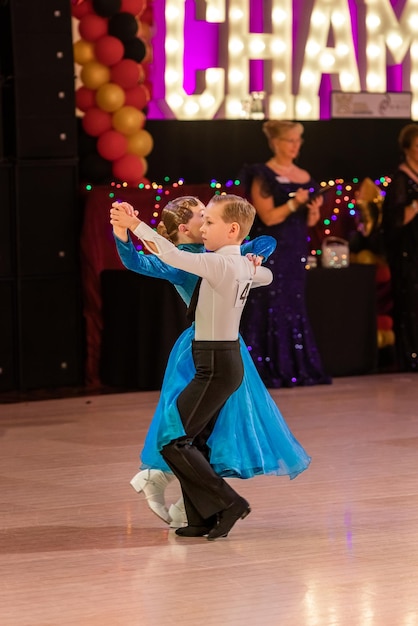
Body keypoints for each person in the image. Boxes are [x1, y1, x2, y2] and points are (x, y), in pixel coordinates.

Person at [112, 195, 290, 528]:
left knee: (197, 433)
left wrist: (254, 254)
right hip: (199, 351)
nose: (206, 222)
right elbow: (142, 261)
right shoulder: (190, 260)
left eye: (210, 218)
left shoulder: (219, 256)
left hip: (222, 349)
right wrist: (125, 231)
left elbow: (266, 239)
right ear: (185, 227)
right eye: (202, 218)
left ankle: (199, 503)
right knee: (185, 432)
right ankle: (189, 501)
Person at [240, 119, 332, 388]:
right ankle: (263, 367)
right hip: (270, 248)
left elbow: (309, 222)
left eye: (298, 140)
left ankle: (294, 366)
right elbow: (267, 217)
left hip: (295, 251)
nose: (295, 146)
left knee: (293, 305)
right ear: (276, 143)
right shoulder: (262, 174)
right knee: (266, 303)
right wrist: (295, 203)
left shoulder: (304, 175)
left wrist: (312, 211)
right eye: (290, 140)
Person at [381, 123, 418, 372]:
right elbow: (394, 221)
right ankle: (410, 355)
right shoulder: (401, 180)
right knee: (411, 303)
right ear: (407, 149)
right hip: (408, 252)